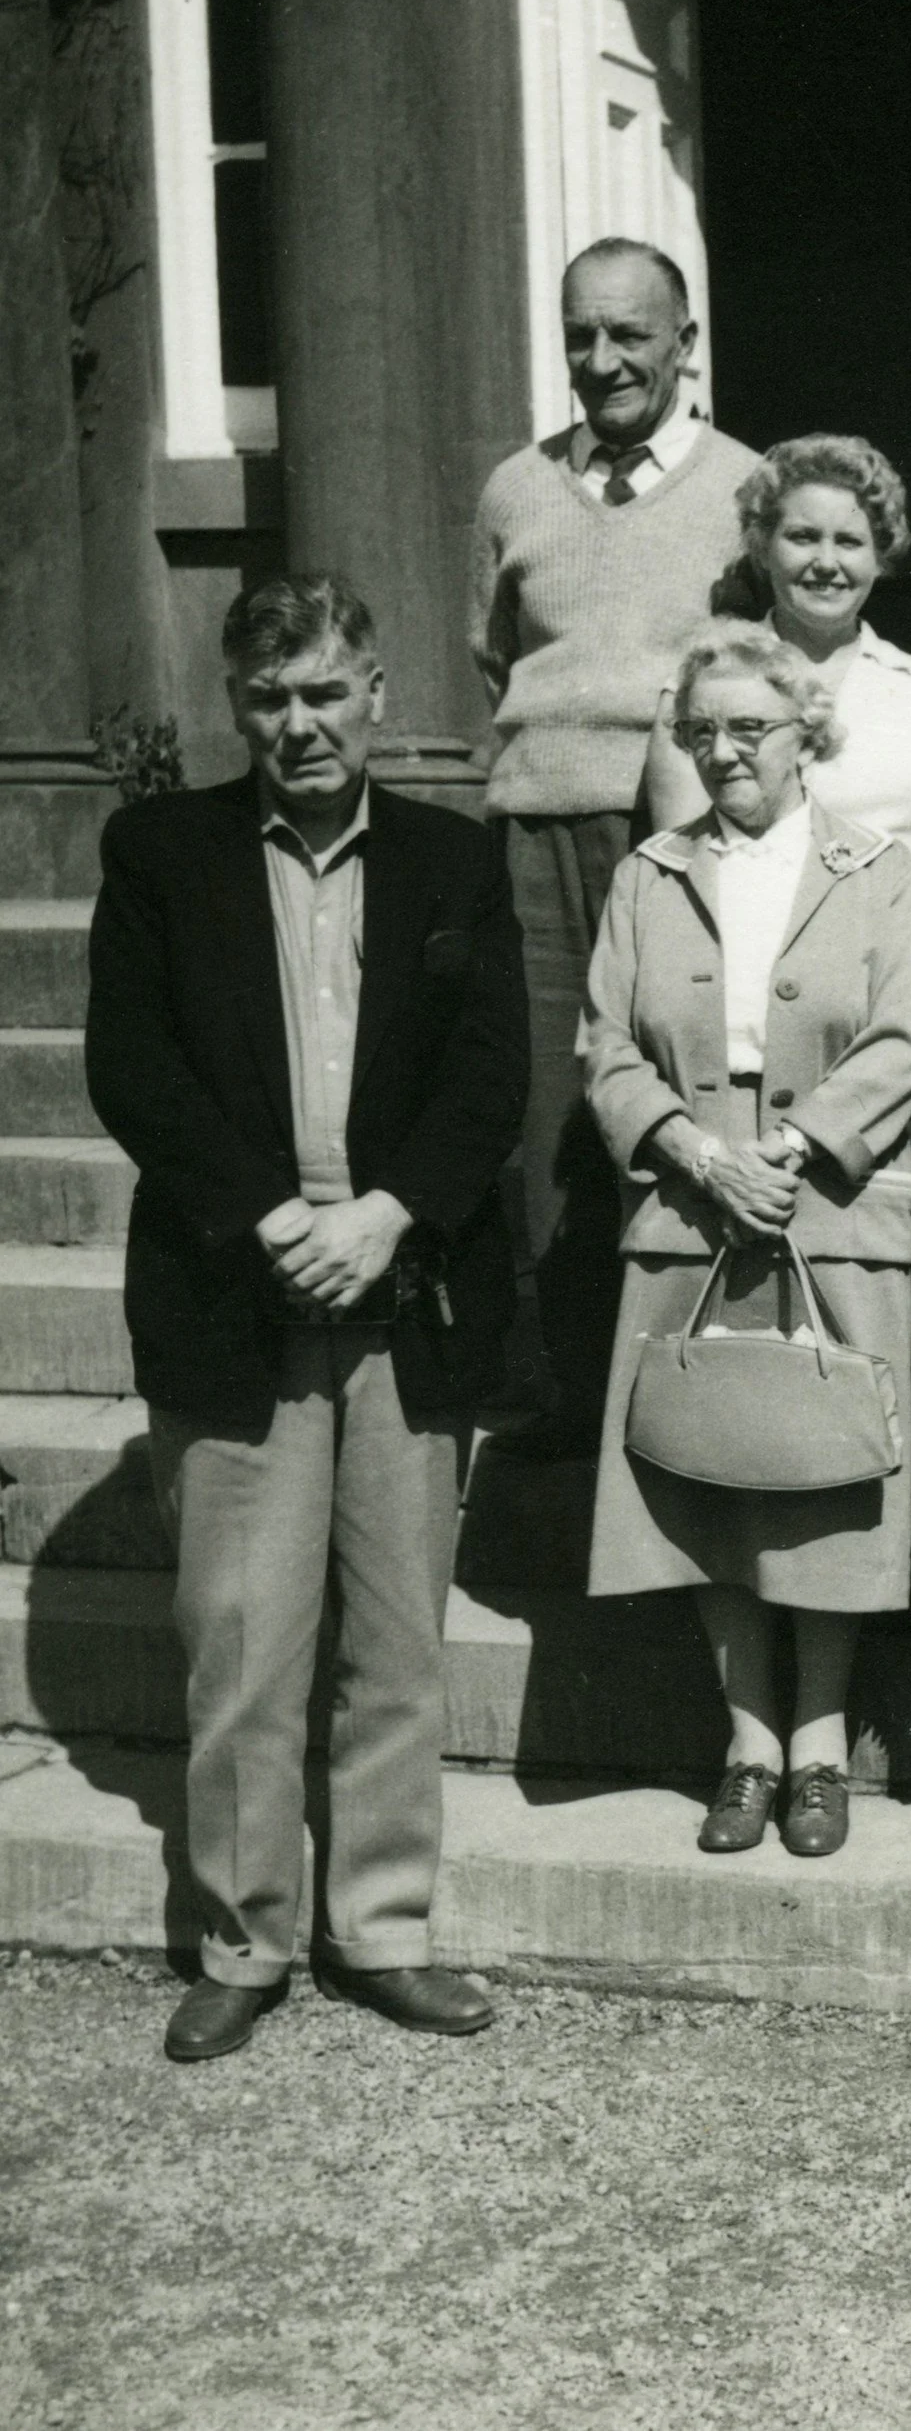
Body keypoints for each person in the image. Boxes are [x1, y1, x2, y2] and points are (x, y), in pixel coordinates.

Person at [84, 575, 529, 2063]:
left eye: (327, 692)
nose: (300, 724)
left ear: (379, 697)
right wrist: (272, 1217)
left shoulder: (457, 863)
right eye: (269, 699)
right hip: (236, 1292)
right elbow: (132, 1067)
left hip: (407, 1293)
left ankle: (385, 1930)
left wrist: (387, 1212)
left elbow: (491, 1077)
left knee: (397, 1641)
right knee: (243, 1638)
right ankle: (245, 1936)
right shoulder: (161, 852)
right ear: (235, 705)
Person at [582, 621, 911, 1861]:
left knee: (826, 1474)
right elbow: (603, 1046)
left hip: (828, 1211)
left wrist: (786, 1154)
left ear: (807, 737)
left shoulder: (881, 870)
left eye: (752, 728)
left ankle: (823, 1744)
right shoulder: (648, 874)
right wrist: (692, 1149)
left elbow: (903, 1038)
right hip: (688, 1209)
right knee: (708, 1471)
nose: (726, 751)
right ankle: (746, 1741)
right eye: (704, 730)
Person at [470, 238, 756, 1453]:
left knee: (682, 1102)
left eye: (629, 335)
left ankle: (686, 1399)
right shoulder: (514, 491)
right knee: (543, 1123)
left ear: (683, 344)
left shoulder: (748, 487)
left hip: (679, 834)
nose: (601, 361)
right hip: (535, 835)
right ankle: (564, 1409)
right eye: (580, 335)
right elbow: (495, 655)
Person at [646, 433, 911, 930]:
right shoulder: (702, 687)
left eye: (849, 542)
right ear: (762, 548)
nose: (826, 563)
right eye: (803, 537)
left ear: (881, 557)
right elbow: (686, 860)